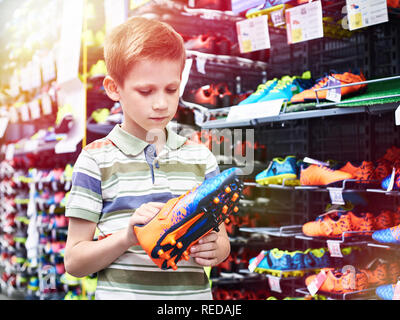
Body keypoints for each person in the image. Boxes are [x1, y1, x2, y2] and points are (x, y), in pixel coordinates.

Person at [64, 16, 230, 300]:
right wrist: (128, 238)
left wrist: (215, 250)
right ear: (114, 88)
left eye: (171, 89)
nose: (161, 103)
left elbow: (222, 240)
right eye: (146, 91)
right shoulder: (95, 161)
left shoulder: (201, 158)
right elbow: (75, 261)